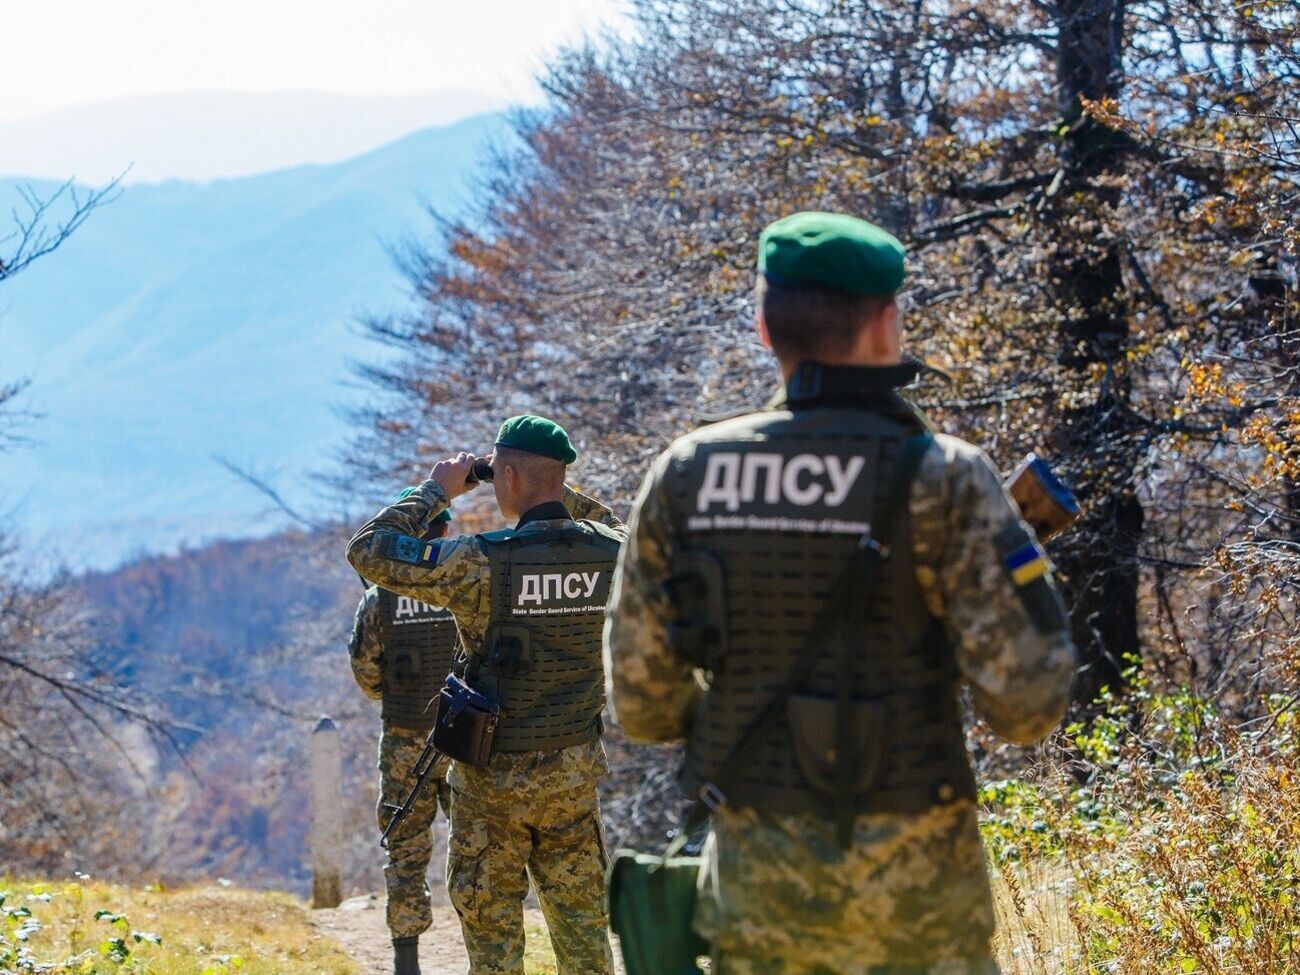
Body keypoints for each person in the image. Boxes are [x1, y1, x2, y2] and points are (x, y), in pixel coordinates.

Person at [604, 211, 1079, 975]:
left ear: (764, 328)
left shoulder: (687, 474)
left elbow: (643, 705)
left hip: (759, 913)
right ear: (888, 324)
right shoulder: (946, 476)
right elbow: (1026, 706)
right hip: (924, 924)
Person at [347, 414, 623, 975]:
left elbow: (369, 551)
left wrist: (437, 490)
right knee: (585, 938)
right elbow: (616, 521)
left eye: (499, 474)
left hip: (489, 785)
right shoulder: (612, 553)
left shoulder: (482, 561)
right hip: (573, 775)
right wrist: (547, 483)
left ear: (511, 478)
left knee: (494, 949)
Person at [348, 493, 459, 975]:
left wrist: (395, 697)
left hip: (404, 736)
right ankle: (489, 946)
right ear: (445, 533)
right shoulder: (464, 583)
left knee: (405, 847)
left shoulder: (379, 598)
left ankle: (406, 960)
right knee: (478, 841)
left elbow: (365, 671)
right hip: (465, 737)